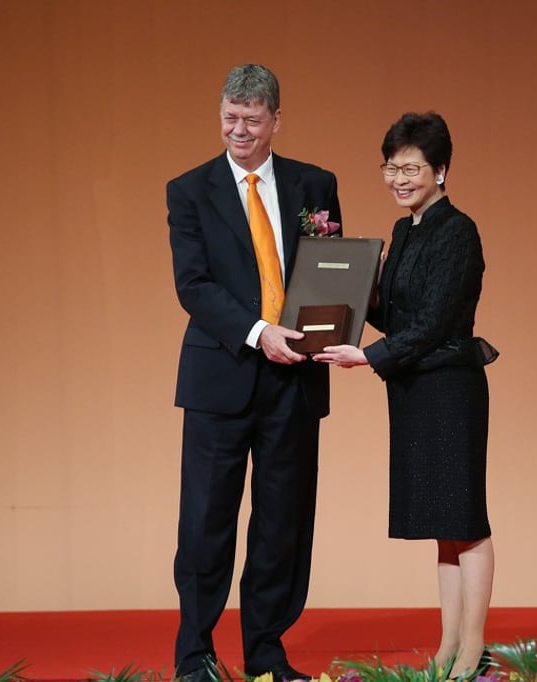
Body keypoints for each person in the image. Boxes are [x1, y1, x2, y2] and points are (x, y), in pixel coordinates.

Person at [167, 63, 342, 682]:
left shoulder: (314, 185)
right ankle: (195, 655)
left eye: (250, 119)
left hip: (293, 380)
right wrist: (257, 332)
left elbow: (329, 272)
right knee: (206, 521)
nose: (237, 130)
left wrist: (327, 331)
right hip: (222, 378)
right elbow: (193, 286)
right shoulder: (189, 190)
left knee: (281, 524)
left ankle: (267, 653)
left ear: (275, 121)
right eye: (229, 118)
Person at [313, 112, 494, 679]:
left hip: (450, 388)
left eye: (411, 168)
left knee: (466, 521)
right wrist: (335, 273)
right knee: (443, 529)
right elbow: (392, 313)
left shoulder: (457, 230)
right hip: (414, 389)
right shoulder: (403, 231)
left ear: (440, 170)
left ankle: (473, 647)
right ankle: (447, 647)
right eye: (391, 168)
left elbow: (439, 320)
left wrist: (368, 356)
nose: (399, 178)